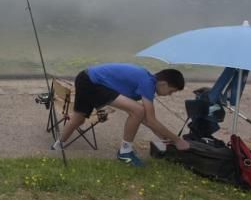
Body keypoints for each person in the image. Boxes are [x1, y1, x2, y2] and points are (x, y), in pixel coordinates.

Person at [53, 63, 189, 166]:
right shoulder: (148, 83)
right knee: (138, 109)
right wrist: (177, 140)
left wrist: (163, 136)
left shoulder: (147, 79)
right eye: (171, 91)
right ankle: (125, 152)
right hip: (91, 82)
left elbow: (145, 120)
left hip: (85, 78)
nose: (169, 95)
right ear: (163, 83)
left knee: (79, 119)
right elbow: (150, 119)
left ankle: (57, 146)